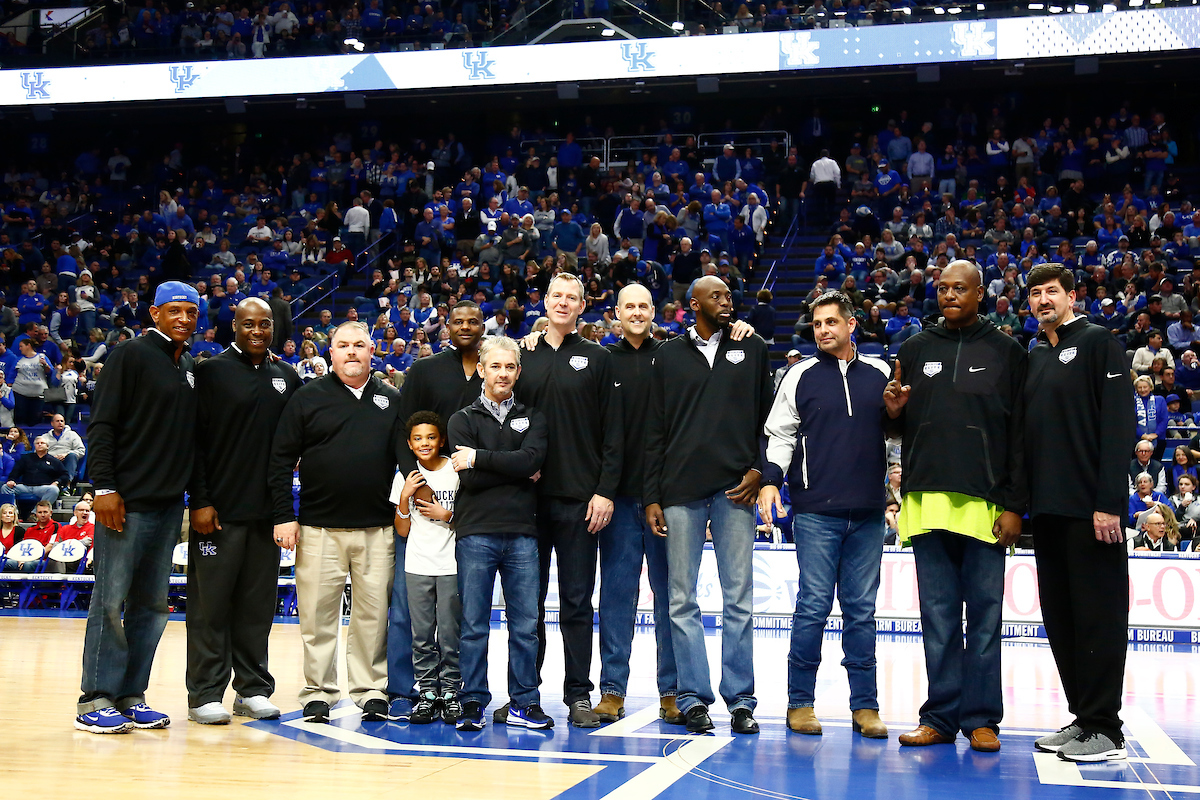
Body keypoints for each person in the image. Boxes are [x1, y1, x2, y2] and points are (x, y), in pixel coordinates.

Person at [884, 260, 1027, 754]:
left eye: (959, 288)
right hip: (925, 502)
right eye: (942, 288)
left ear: (981, 293)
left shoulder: (1008, 350)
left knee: (985, 618)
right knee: (938, 617)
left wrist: (1013, 505)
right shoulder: (916, 347)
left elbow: (1020, 436)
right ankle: (941, 717)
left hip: (985, 506)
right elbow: (903, 425)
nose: (948, 295)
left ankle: (983, 719)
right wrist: (893, 416)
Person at [595, 285, 755, 725]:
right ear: (616, 312)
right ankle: (613, 689)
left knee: (672, 596)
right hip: (627, 495)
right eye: (628, 305)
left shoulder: (675, 352)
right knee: (617, 595)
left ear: (654, 312)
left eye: (644, 305)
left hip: (671, 494)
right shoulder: (603, 359)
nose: (637, 312)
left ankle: (675, 691)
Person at [644, 275, 773, 735]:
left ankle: (741, 700)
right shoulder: (667, 356)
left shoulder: (751, 348)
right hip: (679, 490)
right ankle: (692, 697)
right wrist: (652, 495)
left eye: (729, 295)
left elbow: (768, 420)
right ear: (691, 303)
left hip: (735, 489)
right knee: (681, 599)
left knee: (739, 597)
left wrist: (761, 471)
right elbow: (654, 430)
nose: (726, 301)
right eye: (715, 296)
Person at [760, 289, 892, 738]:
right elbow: (779, 433)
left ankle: (866, 706)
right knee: (812, 608)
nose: (822, 331)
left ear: (851, 325)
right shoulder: (798, 375)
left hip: (869, 513)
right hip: (816, 512)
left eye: (831, 323)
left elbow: (898, 429)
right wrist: (771, 479)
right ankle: (800, 704)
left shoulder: (880, 372)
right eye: (816, 325)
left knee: (862, 612)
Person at [1023, 263, 1136, 762]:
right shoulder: (1035, 354)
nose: (1043, 300)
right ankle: (1084, 717)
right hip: (1047, 510)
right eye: (1034, 293)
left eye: (1052, 291)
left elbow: (1118, 426)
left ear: (1072, 296)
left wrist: (1108, 503)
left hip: (1091, 510)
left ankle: (1106, 729)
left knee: (1098, 618)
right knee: (1062, 619)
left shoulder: (1098, 343)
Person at [77, 281, 201, 734]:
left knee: (151, 605)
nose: (183, 319)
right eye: (174, 311)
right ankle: (95, 697)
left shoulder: (186, 364)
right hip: (124, 504)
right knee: (110, 601)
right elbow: (102, 424)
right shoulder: (128, 355)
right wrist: (105, 487)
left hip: (168, 506)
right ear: (154, 313)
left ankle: (130, 695)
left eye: (190, 311)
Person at [269, 321, 401, 724]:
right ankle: (318, 692)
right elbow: (279, 461)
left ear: (372, 350)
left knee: (373, 617)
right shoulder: (307, 397)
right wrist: (283, 516)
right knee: (317, 616)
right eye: (342, 345)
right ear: (331, 353)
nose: (351, 352)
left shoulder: (392, 399)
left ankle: (370, 690)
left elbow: (408, 460)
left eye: (358, 345)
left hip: (378, 528)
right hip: (318, 528)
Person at [185, 298, 302, 725]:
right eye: (248, 323)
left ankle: (252, 689)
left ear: (274, 329)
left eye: (264, 324)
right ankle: (205, 693)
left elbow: (290, 450)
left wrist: (282, 512)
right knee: (210, 606)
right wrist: (199, 499)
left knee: (257, 607)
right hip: (217, 512)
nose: (257, 330)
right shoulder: (210, 372)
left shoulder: (286, 377)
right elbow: (194, 443)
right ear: (233, 327)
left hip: (266, 515)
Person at [514, 272, 622, 729]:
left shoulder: (597, 358)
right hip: (525, 501)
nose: (563, 303)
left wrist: (605, 491)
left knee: (577, 602)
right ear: (545, 301)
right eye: (556, 295)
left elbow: (614, 432)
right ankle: (526, 696)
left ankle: (579, 694)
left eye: (571, 297)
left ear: (583, 306)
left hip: (581, 501)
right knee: (528, 604)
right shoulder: (520, 356)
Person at [386, 299, 484, 720]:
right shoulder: (425, 370)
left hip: (472, 495)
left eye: (473, 321)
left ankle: (458, 690)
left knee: (459, 616)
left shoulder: (495, 365)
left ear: (484, 326)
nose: (464, 327)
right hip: (424, 501)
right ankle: (410, 690)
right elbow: (402, 427)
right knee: (412, 615)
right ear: (446, 325)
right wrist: (416, 485)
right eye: (457, 321)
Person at [447, 336, 549, 731]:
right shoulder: (462, 419)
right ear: (483, 371)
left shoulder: (534, 417)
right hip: (476, 533)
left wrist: (480, 458)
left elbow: (533, 460)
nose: (503, 373)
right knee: (473, 624)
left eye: (510, 367)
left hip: (523, 532)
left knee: (525, 625)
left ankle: (524, 701)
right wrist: (516, 468)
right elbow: (470, 480)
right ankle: (472, 701)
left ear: (518, 372)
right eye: (495, 366)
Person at [391, 412, 462, 725]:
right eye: (417, 438)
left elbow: (470, 521)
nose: (424, 443)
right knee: (421, 636)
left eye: (431, 437)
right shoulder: (406, 478)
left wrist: (445, 515)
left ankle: (451, 693)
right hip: (417, 565)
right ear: (409, 443)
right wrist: (405, 497)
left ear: (441, 440)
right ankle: (427, 694)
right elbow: (402, 531)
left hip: (452, 565)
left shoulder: (455, 471)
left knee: (450, 634)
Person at [2, 434, 70, 505]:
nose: (39, 445)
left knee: (54, 490)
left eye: (42, 443)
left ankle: (36, 513)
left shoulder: (54, 461)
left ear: (47, 446)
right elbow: (15, 471)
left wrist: (56, 482)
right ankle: (13, 511)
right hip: (25, 487)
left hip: (43, 488)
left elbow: (65, 475)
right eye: (37, 443)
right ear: (35, 446)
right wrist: (11, 480)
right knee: (5, 487)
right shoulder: (26, 458)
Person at [46, 413, 85, 485]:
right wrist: (51, 457)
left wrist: (66, 454)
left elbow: (81, 450)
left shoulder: (73, 435)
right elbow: (38, 452)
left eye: (62, 421)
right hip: (51, 462)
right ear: (52, 423)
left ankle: (67, 485)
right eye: (57, 421)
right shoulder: (45, 437)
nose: (60, 423)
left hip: (66, 461)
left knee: (72, 456)